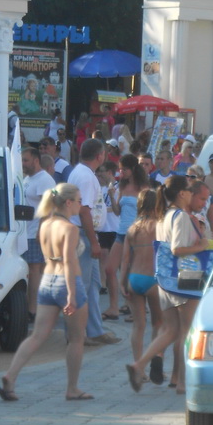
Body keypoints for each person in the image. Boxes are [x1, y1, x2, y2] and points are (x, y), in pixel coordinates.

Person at [0, 183, 92, 401]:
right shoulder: (70, 229)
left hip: (47, 280)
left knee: (37, 335)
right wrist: (71, 294)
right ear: (68, 202)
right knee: (77, 338)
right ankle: (72, 388)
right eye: (78, 200)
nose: (80, 204)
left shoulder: (45, 224)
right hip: (67, 281)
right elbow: (68, 261)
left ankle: (11, 375)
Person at [126, 175, 211, 394]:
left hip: (166, 279)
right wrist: (201, 246)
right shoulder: (180, 216)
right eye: (190, 191)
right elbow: (177, 249)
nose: (192, 194)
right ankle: (182, 382)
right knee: (186, 331)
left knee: (171, 329)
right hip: (186, 278)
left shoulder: (165, 216)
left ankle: (139, 364)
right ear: (182, 193)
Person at [67, 139, 119, 346]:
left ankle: (94, 329)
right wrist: (93, 241)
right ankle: (76, 333)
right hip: (82, 235)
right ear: (100, 156)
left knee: (92, 285)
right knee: (82, 286)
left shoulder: (81, 173)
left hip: (84, 234)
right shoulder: (86, 177)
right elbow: (84, 210)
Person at [119, 190, 164, 383]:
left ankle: (138, 367)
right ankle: (155, 361)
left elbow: (125, 259)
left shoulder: (132, 229)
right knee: (158, 325)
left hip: (134, 278)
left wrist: (122, 283)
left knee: (138, 326)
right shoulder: (161, 227)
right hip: (153, 279)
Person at [105, 155, 149, 322]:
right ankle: (113, 306)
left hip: (137, 234)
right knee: (110, 269)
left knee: (132, 273)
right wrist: (111, 195)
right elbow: (117, 211)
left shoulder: (143, 186)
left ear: (133, 169)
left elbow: (149, 210)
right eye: (120, 169)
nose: (121, 172)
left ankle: (137, 309)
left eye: (124, 169)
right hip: (121, 232)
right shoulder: (122, 186)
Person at [21, 147, 56, 322]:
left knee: (35, 271)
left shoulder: (45, 180)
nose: (23, 163)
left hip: (36, 232)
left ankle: (33, 310)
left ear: (36, 160)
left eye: (26, 160)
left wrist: (42, 230)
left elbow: (48, 207)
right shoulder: (28, 178)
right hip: (25, 232)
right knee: (32, 271)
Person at [96, 161, 121, 320]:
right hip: (103, 227)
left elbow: (116, 208)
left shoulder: (116, 188)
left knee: (112, 259)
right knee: (103, 254)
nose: (99, 177)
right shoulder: (100, 188)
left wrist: (104, 209)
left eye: (102, 173)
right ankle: (103, 284)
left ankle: (114, 285)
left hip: (114, 227)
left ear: (110, 172)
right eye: (98, 174)